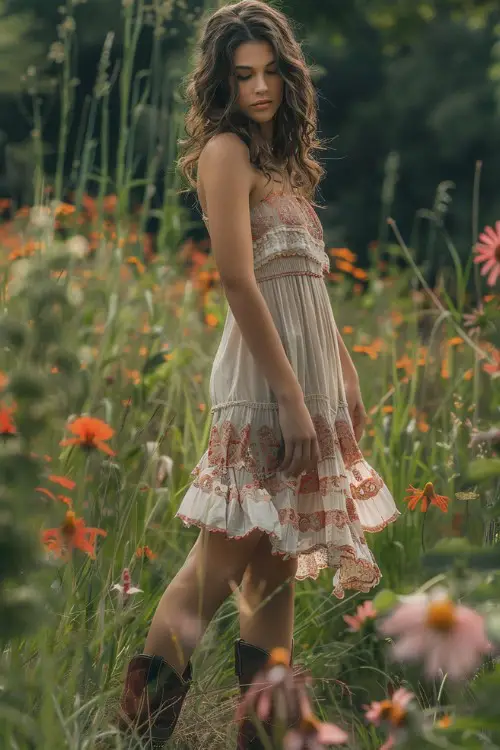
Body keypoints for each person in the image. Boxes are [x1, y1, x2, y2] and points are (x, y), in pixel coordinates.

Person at [117, 1, 399, 747]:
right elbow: (240, 283)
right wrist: (292, 399)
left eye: (272, 71)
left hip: (307, 389)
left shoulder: (287, 168)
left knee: (272, 575)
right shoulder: (225, 153)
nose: (261, 88)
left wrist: (344, 381)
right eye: (244, 76)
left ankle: (264, 739)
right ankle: (141, 734)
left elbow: (311, 290)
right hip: (265, 390)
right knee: (213, 571)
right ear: (222, 82)